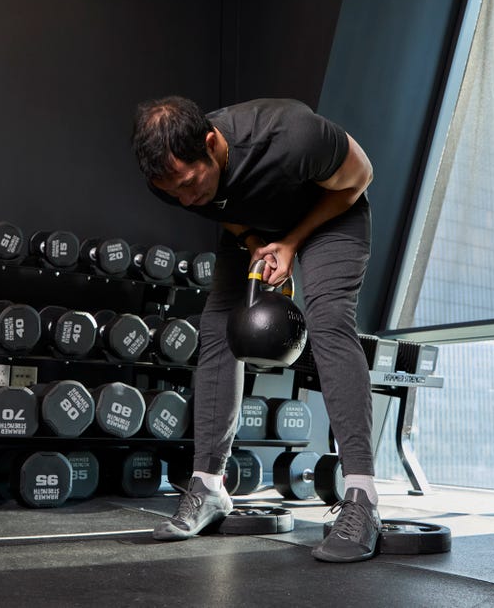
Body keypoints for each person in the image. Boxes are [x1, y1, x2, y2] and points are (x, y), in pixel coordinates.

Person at [130, 96, 378, 563]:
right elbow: (218, 206)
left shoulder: (291, 138)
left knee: (328, 323)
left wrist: (290, 243)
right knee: (218, 327)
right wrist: (251, 241)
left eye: (188, 183)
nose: (183, 199)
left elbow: (360, 176)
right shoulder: (170, 182)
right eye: (172, 191)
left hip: (332, 216)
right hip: (257, 227)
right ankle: (207, 487)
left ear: (211, 144)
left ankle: (362, 497)